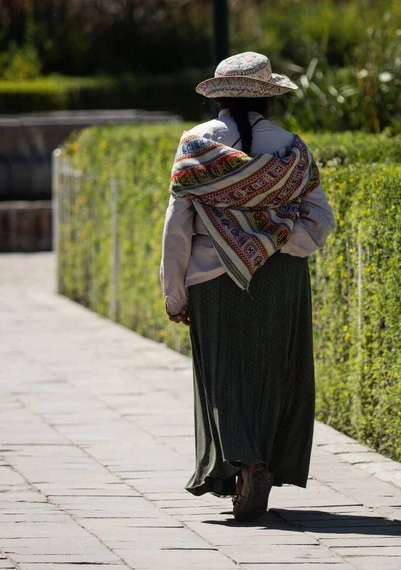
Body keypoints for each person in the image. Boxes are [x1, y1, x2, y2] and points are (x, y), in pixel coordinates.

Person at [160, 51, 335, 521]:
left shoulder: (195, 145)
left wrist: (174, 293)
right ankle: (262, 465)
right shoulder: (292, 148)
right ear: (269, 97)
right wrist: (273, 245)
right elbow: (321, 219)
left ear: (219, 98)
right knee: (273, 373)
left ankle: (246, 465)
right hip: (280, 278)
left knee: (223, 378)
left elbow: (178, 224)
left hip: (211, 279)